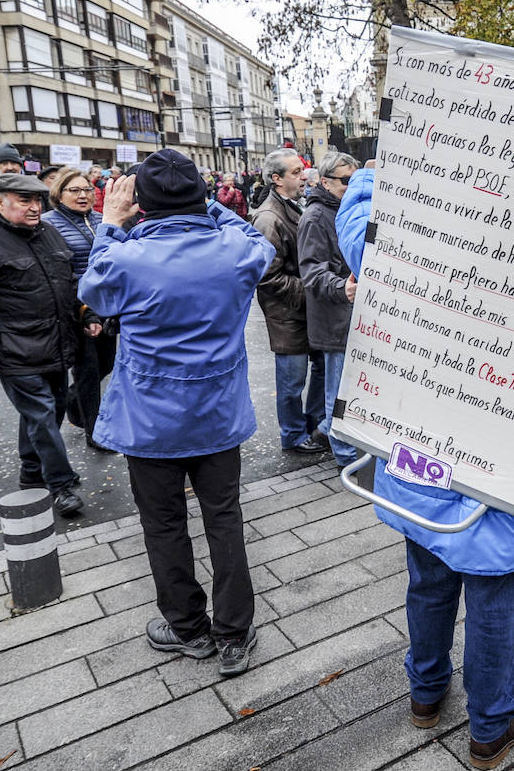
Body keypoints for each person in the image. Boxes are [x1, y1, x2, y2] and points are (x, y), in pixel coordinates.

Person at [334, 162, 514, 771]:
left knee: (428, 582)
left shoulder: (410, 252)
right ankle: (490, 725)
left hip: (420, 465)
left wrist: (381, 168)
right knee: (493, 602)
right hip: (503, 478)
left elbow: (357, 224)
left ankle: (426, 693)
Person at [79, 150, 275, 677]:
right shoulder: (235, 249)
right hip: (216, 413)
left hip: (149, 421)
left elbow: (92, 288)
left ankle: (188, 629)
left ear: (141, 202)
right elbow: (262, 242)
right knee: (225, 520)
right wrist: (206, 203)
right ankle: (234, 634)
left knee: (163, 525)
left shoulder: (125, 257)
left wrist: (111, 222)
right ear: (198, 195)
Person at [0, 173, 100, 517]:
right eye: (24, 201)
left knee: (45, 415)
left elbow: (67, 282)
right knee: (42, 415)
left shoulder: (46, 232)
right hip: (14, 350)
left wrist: (86, 312)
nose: (34, 208)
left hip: (56, 343)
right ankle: (60, 484)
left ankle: (31, 472)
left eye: (37, 201)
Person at [251, 148, 328, 454]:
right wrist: (310, 288)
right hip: (288, 315)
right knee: (291, 382)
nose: (303, 176)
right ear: (276, 179)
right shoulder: (269, 217)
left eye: (302, 170)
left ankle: (311, 424)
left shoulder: (292, 205)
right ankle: (294, 436)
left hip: (304, 312)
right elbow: (267, 277)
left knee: (319, 370)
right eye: (295, 172)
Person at [42, 167, 117, 451]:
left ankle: (75, 403)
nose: (83, 195)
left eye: (86, 189)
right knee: (87, 370)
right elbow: (60, 272)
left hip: (107, 305)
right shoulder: (49, 224)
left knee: (107, 364)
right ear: (59, 194)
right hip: (76, 308)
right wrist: (84, 307)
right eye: (74, 190)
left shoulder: (101, 219)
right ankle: (94, 431)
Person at [298, 150, 361, 467]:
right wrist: (343, 287)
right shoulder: (316, 217)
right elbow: (312, 273)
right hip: (335, 320)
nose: (352, 186)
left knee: (351, 390)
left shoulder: (349, 209)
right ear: (324, 181)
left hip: (354, 318)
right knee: (337, 393)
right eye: (345, 181)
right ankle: (344, 457)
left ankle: (338, 441)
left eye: (356, 178)